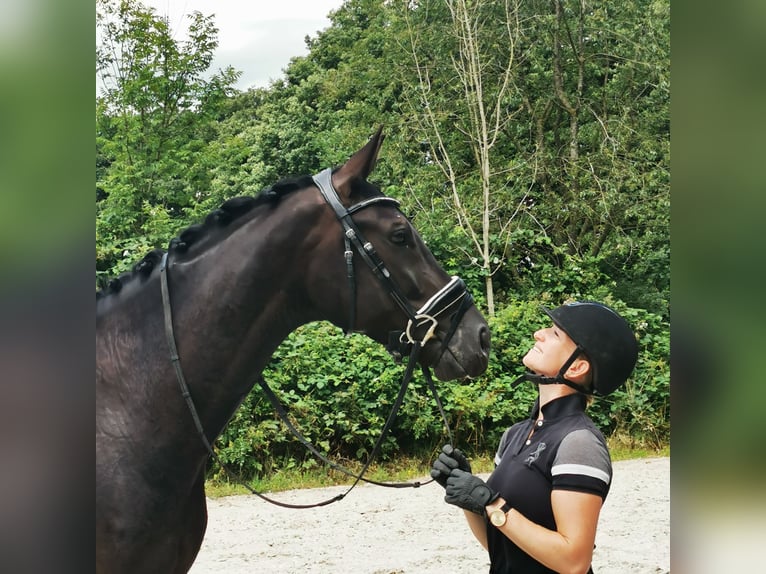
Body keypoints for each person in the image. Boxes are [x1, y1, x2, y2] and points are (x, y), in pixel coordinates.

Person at [431, 301, 638, 574]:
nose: (538, 333)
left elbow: (574, 562)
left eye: (554, 334)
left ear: (577, 367)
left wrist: (491, 502)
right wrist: (469, 499)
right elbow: (501, 545)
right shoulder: (514, 435)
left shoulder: (578, 442)